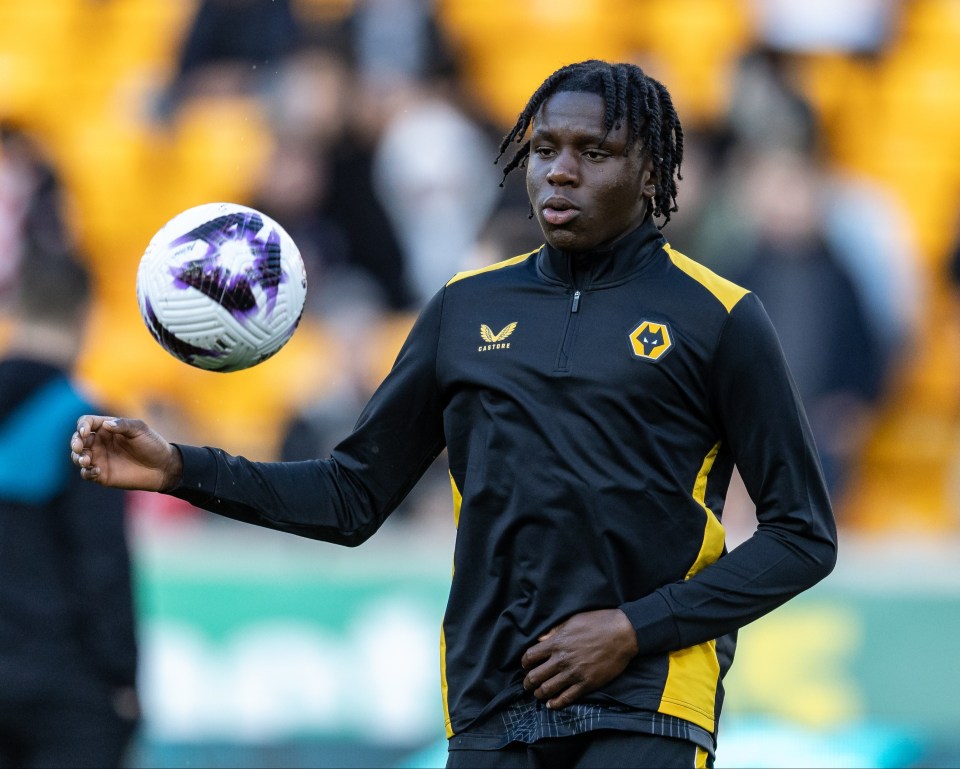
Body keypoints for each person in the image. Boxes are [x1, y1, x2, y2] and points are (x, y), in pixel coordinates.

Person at [70, 60, 837, 768]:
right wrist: (179, 468)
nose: (559, 172)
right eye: (543, 150)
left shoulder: (720, 317)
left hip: (646, 708)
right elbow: (351, 495)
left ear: (649, 172)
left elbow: (803, 536)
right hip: (490, 706)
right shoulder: (466, 309)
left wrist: (636, 629)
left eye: (593, 152)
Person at [2, 251, 139, 768]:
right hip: (63, 683)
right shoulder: (83, 422)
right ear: (85, 318)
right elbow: (102, 563)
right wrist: (123, 675)